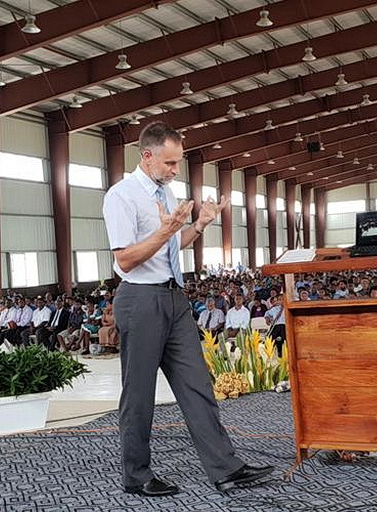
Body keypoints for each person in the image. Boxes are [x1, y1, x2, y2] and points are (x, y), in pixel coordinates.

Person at [102, 121, 272, 497]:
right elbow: (126, 259)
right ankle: (137, 475)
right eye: (169, 163)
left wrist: (198, 225)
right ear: (147, 157)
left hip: (175, 299)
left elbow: (171, 246)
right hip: (140, 299)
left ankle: (226, 469)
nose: (175, 170)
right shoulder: (122, 196)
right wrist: (166, 231)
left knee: (198, 387)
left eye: (178, 163)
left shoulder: (166, 193)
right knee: (139, 394)